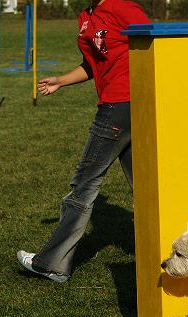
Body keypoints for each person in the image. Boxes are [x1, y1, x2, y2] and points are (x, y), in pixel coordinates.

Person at [17, 0, 150, 282]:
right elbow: (94, 64)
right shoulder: (86, 17)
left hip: (122, 104)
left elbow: (157, 47)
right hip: (118, 104)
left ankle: (51, 263)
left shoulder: (122, 8)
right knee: (148, 184)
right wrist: (62, 81)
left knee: (85, 184)